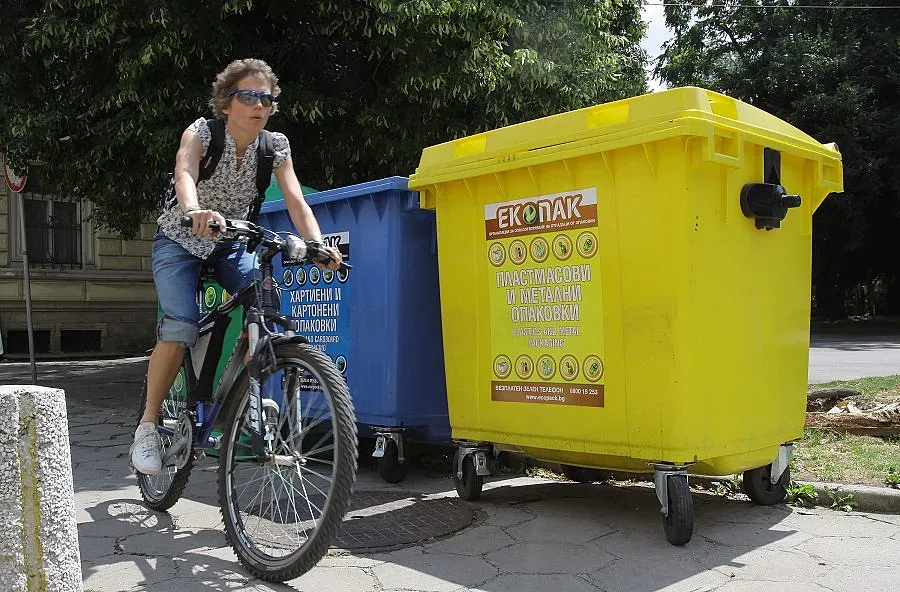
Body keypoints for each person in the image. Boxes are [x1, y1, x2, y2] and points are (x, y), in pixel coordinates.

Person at [130, 58, 341, 475]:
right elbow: (184, 173)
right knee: (180, 324)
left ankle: (252, 387)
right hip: (180, 239)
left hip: (231, 241)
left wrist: (318, 244)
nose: (259, 106)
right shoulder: (202, 133)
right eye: (249, 96)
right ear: (227, 103)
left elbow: (297, 200)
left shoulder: (275, 147)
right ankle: (148, 426)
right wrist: (194, 211)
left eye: (267, 98)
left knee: (265, 305)